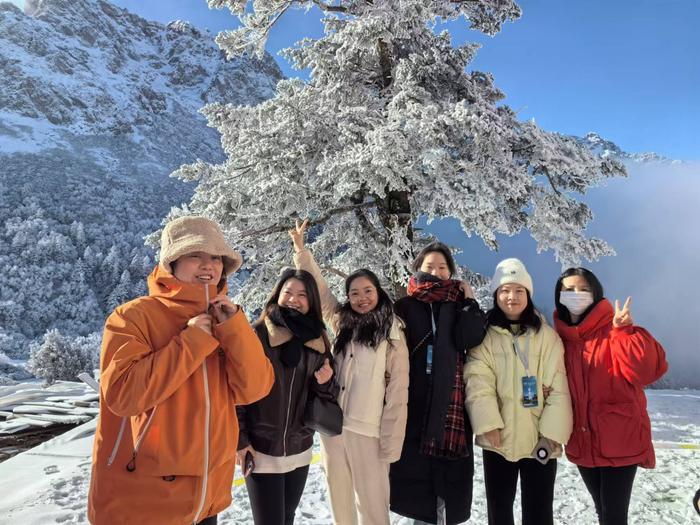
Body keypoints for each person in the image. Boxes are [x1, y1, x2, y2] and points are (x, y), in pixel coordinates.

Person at [88, 216, 274, 525]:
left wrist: (236, 329)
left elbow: (255, 389)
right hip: (145, 501)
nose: (208, 265)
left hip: (206, 498)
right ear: (171, 262)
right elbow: (123, 396)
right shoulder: (132, 317)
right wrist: (192, 343)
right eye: (195, 255)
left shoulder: (225, 320)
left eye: (216, 258)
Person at [290, 219, 410, 525]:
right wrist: (302, 252)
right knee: (340, 503)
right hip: (334, 428)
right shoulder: (341, 321)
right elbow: (320, 289)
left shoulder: (392, 332)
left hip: (369, 432)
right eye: (354, 293)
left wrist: (391, 442)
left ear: (378, 292)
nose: (361, 298)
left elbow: (398, 390)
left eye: (367, 291)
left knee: (372, 507)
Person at [553, 267, 668, 525]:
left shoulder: (614, 329)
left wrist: (625, 332)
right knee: (602, 511)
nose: (576, 295)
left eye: (583, 289)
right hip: (582, 438)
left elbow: (647, 371)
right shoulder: (561, 338)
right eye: (569, 290)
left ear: (596, 294)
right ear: (559, 296)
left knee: (614, 516)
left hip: (621, 437)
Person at [465, 258, 573, 525]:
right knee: (499, 512)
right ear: (496, 295)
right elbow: (478, 380)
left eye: (518, 290)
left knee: (539, 514)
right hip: (498, 439)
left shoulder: (547, 337)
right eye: (504, 290)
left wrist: (550, 435)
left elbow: (558, 387)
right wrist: (488, 423)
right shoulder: (485, 336)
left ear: (528, 294)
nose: (511, 297)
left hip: (539, 440)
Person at [390, 242, 487, 525]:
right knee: (417, 484)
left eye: (442, 267)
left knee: (449, 482)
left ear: (450, 273)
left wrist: (469, 303)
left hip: (450, 406)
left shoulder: (458, 305)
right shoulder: (404, 306)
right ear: (418, 268)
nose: (436, 271)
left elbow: (470, 338)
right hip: (415, 406)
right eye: (429, 266)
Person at [236, 267, 338, 525]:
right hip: (261, 450)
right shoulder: (258, 335)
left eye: (302, 294)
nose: (293, 299)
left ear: (311, 301)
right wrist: (240, 440)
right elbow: (236, 391)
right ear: (277, 295)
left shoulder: (319, 341)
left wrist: (326, 383)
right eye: (288, 292)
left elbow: (325, 394)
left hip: (300, 447)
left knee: (287, 518)